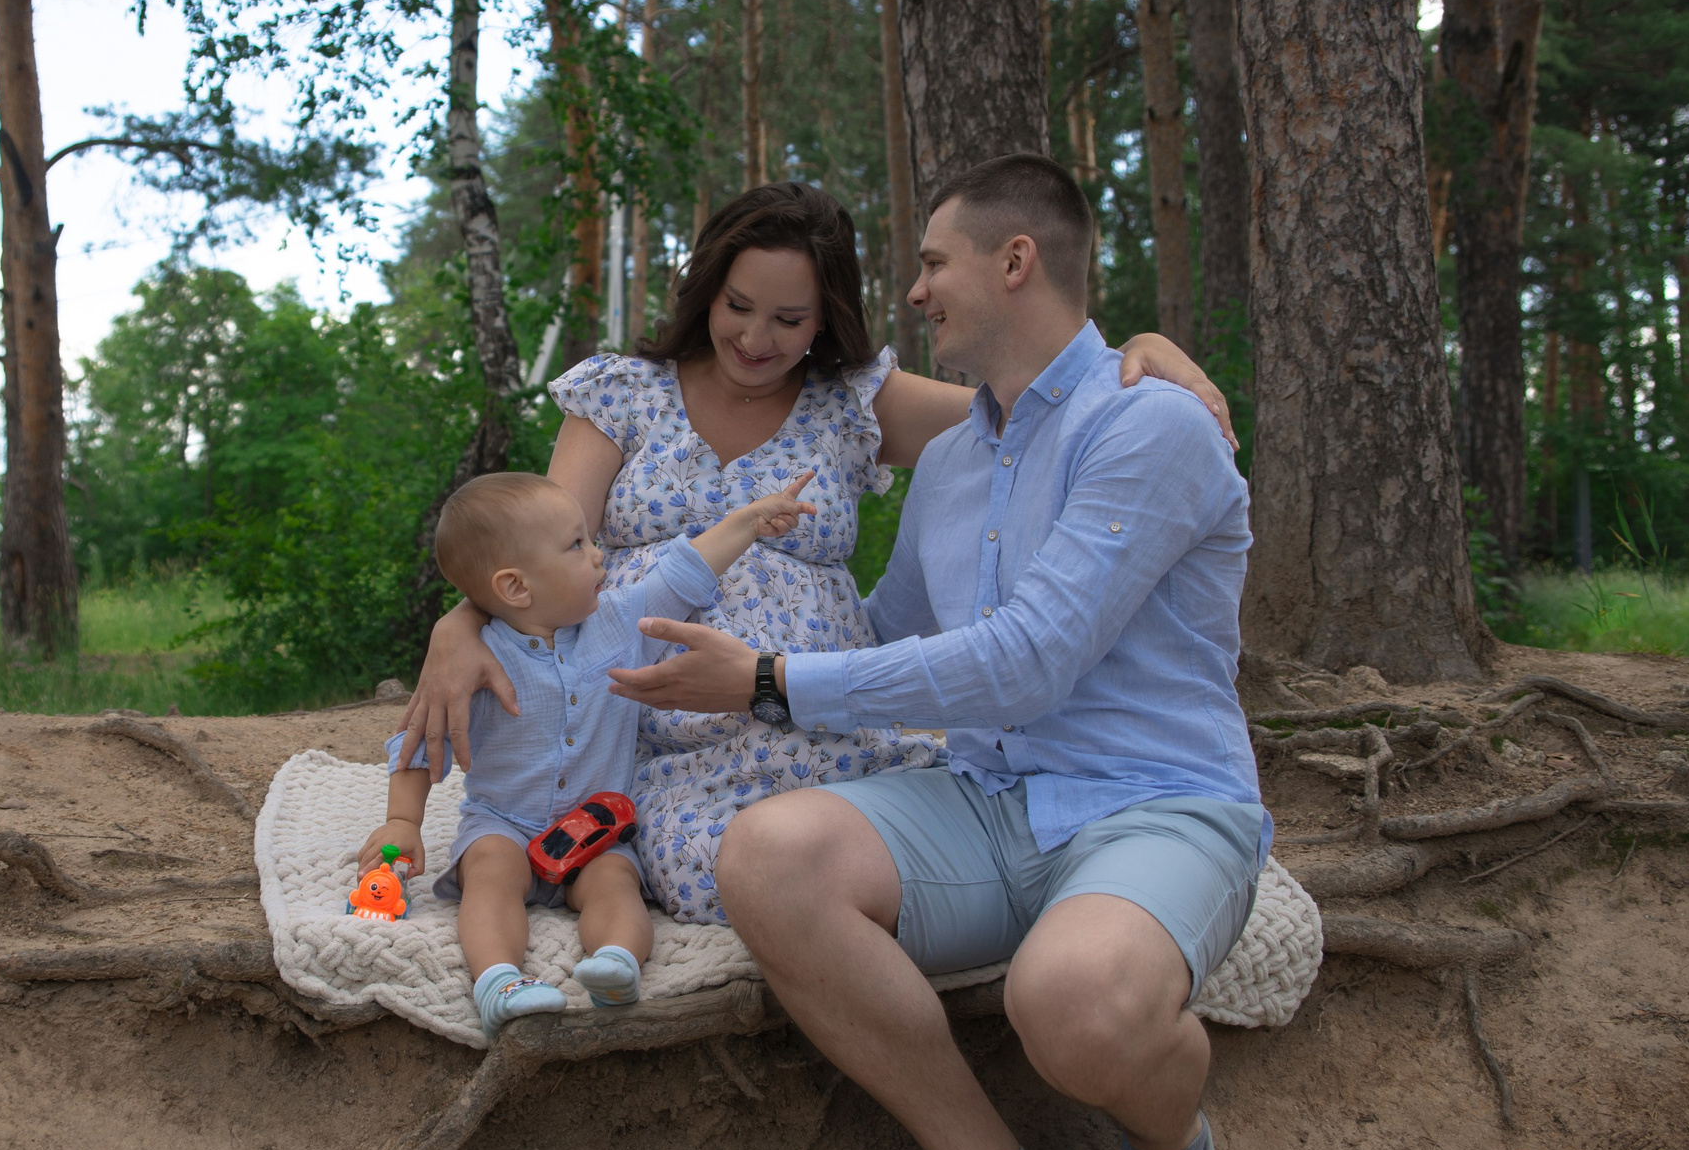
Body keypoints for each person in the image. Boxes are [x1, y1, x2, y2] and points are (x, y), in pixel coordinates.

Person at [606, 155, 1263, 1150]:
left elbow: (1026, 661)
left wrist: (764, 682)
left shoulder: (1150, 423)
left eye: (933, 262)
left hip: (1155, 804)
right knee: (770, 855)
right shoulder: (958, 458)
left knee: (1065, 1003)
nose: (912, 293)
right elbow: (891, 629)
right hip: (985, 797)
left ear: (1014, 261)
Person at [395, 181, 1233, 926]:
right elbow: (534, 552)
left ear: (827, 317)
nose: (756, 337)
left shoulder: (855, 403)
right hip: (670, 728)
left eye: (790, 319)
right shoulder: (622, 392)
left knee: (875, 847)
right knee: (723, 869)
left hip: (819, 714)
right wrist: (460, 625)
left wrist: (1141, 355)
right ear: (706, 292)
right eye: (737, 305)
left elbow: (1035, 396)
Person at [362, 466, 822, 1037]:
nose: (599, 554)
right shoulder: (477, 662)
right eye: (577, 545)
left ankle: (616, 963)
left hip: (595, 827)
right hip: (504, 822)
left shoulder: (620, 621)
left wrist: (749, 521)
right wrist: (401, 822)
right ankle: (499, 980)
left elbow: (685, 571)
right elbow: (417, 743)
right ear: (515, 588)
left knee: (614, 882)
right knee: (489, 872)